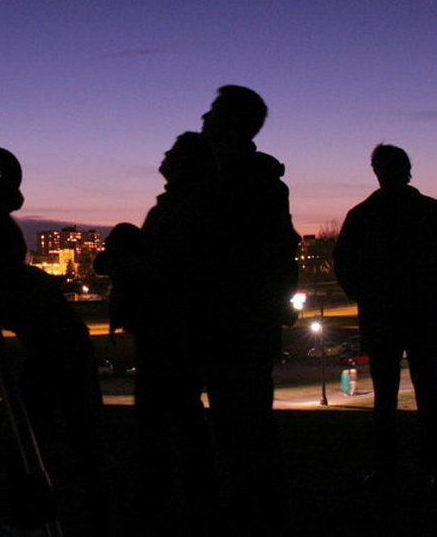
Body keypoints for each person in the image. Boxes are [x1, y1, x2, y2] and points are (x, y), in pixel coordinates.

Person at [98, 132, 218, 530]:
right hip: (164, 325)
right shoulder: (174, 205)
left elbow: (168, 266)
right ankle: (176, 494)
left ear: (185, 162)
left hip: (173, 327)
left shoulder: (188, 207)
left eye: (171, 152)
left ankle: (174, 498)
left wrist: (126, 269)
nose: (163, 156)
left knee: (170, 416)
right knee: (173, 416)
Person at [333, 144, 437, 489]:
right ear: (408, 169)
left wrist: (363, 294)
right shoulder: (432, 211)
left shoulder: (362, 215)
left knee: (385, 397)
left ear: (377, 171)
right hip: (423, 313)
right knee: (430, 392)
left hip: (381, 318)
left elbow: (344, 263)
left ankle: (387, 468)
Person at [198, 86, 300, 533]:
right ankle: (254, 501)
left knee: (244, 421)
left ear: (231, 123)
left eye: (215, 111)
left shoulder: (243, 183)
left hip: (236, 319)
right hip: (240, 317)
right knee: (241, 419)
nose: (205, 116)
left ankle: (255, 507)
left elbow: (266, 251)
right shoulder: (245, 179)